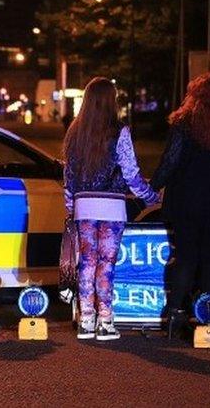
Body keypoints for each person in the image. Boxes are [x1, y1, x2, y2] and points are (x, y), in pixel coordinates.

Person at [150, 73, 210, 338]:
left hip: (187, 202)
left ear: (194, 95)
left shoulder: (183, 123)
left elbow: (170, 162)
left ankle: (173, 316)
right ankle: (209, 318)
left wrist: (152, 186)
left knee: (186, 259)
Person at [63, 77, 160, 341]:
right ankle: (105, 321)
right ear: (111, 101)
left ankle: (85, 321)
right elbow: (131, 173)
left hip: (84, 205)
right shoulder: (120, 132)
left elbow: (69, 175)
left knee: (86, 263)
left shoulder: (75, 132)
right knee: (106, 264)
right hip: (112, 207)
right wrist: (151, 196)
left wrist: (71, 207)